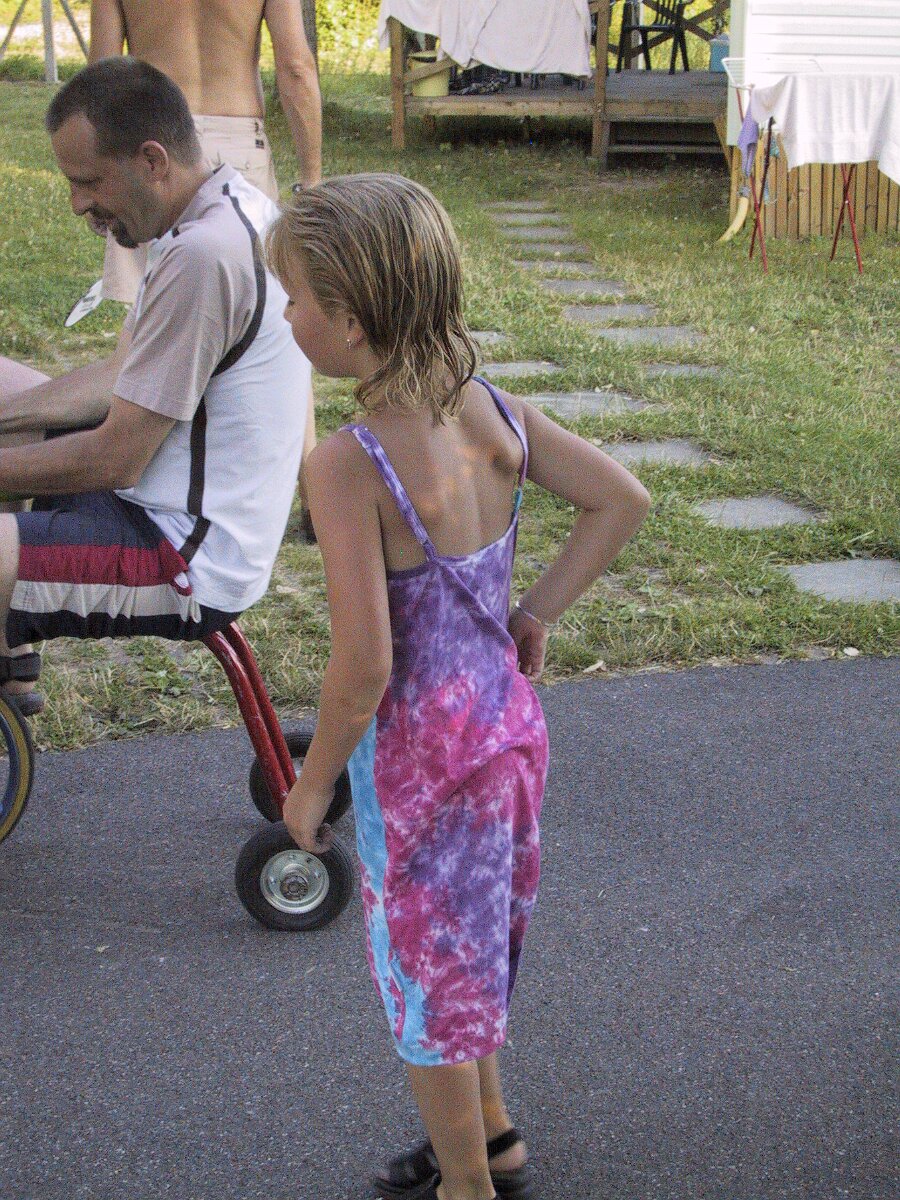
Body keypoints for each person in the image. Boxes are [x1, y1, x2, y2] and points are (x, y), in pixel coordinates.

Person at [265, 173, 651, 1200]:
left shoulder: (348, 464)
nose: (288, 316)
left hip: (421, 769)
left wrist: (312, 784)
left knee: (428, 980)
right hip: (508, 736)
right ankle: (494, 1137)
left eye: (295, 298)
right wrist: (536, 612)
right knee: (470, 948)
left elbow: (365, 668)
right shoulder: (491, 410)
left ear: (348, 320)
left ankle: (467, 1185)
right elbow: (622, 499)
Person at [0, 58, 310, 715]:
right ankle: (11, 657)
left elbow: (116, 457)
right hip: (157, 505)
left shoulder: (205, 254)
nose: (78, 204)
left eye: (88, 182)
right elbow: (121, 378)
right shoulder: (216, 212)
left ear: (151, 160)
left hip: (181, 555)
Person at [88, 0, 322, 539]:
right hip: (239, 139)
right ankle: (315, 497)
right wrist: (312, 176)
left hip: (149, 147)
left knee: (148, 321)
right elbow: (295, 66)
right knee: (278, 323)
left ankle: (125, 461)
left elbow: (102, 75)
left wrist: (100, 176)